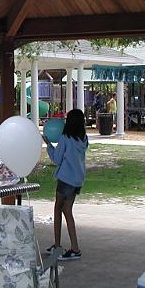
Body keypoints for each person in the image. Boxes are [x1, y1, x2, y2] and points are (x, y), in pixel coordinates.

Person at [43, 109, 88, 261]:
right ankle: (74, 248)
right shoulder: (84, 138)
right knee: (67, 210)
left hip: (66, 179)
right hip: (77, 180)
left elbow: (56, 159)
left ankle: (60, 246)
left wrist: (49, 145)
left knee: (58, 209)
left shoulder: (65, 138)